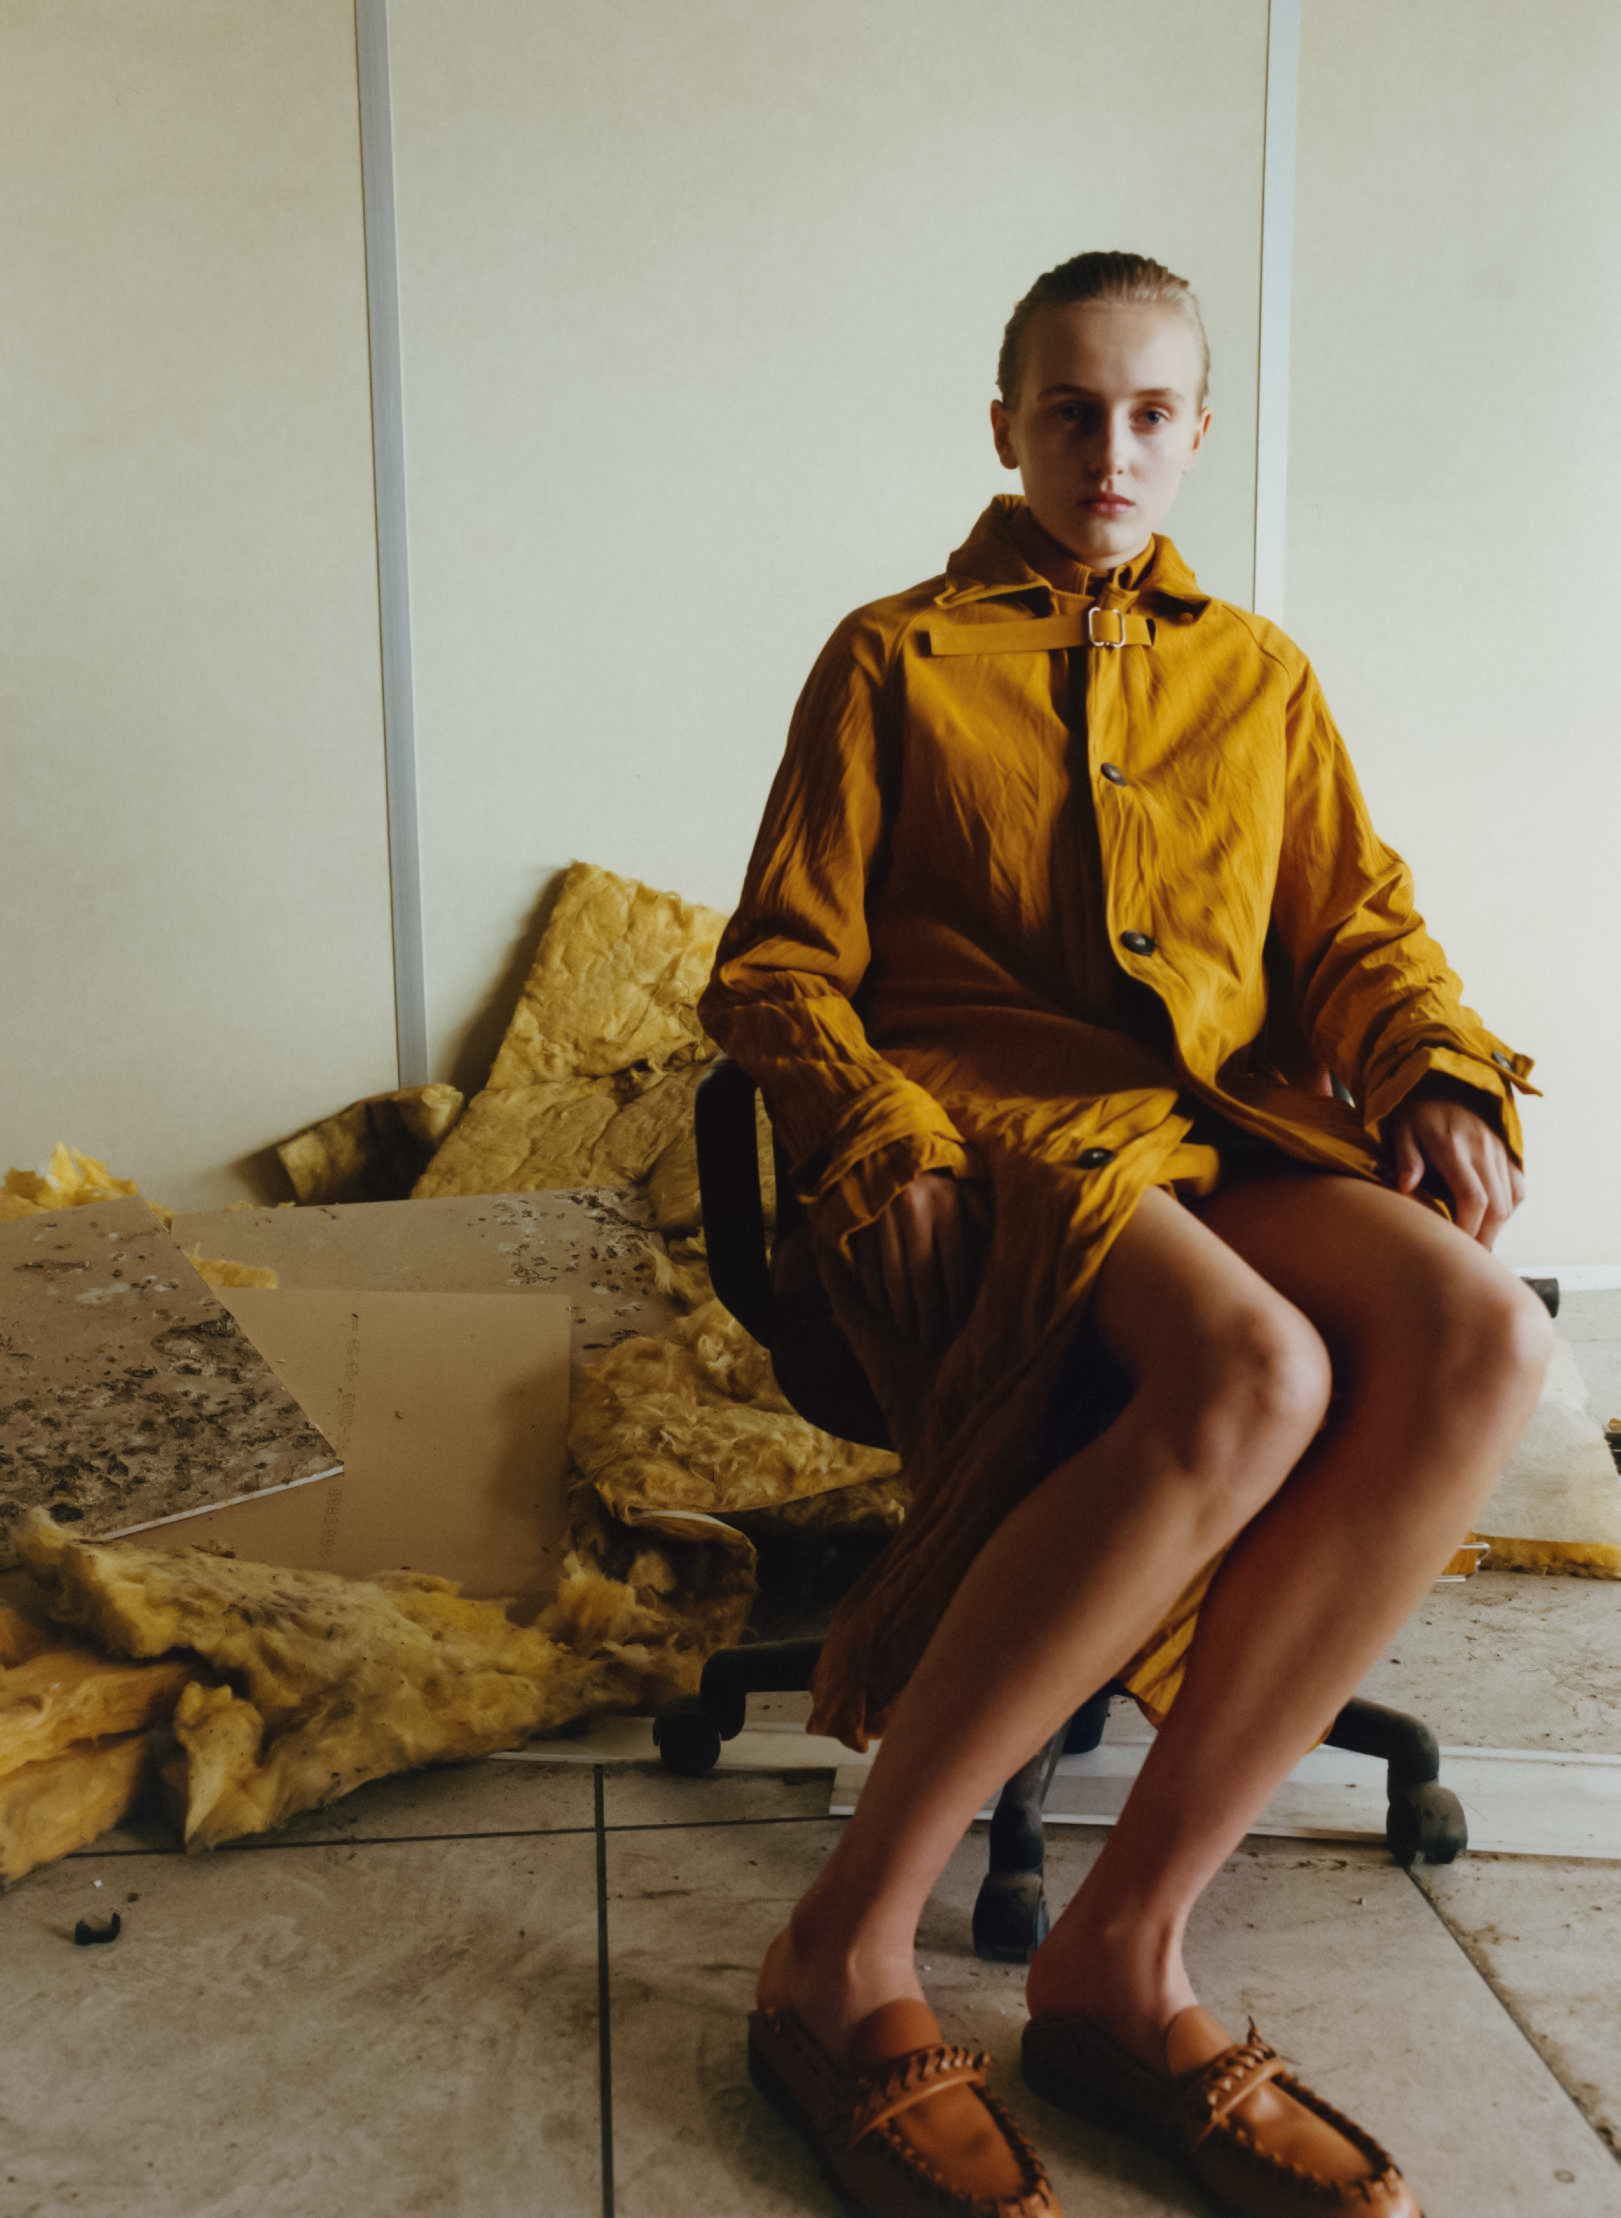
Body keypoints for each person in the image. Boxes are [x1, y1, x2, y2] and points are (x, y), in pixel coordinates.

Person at [697, 250, 1552, 2218]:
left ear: (1196, 432)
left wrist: (1430, 1064)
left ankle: (1119, 1952)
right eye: (1071, 411)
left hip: (1214, 1131)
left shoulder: (1255, 675)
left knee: (1486, 1336)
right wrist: (874, 1130)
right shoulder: (892, 660)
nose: (1110, 449)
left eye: (1149, 413)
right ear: (1004, 427)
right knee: (1261, 1367)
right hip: (991, 1140)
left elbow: (1353, 926)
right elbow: (776, 969)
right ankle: (840, 1949)